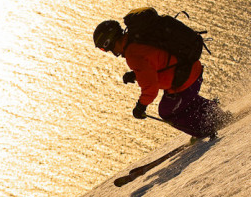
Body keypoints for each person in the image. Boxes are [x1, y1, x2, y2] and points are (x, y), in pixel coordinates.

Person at [93, 19, 231, 138]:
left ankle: (205, 129)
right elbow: (157, 60)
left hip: (186, 80)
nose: (109, 52)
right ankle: (215, 114)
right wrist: (135, 74)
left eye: (104, 49)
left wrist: (140, 107)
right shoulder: (136, 38)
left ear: (108, 42)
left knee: (167, 111)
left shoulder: (133, 54)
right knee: (181, 101)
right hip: (191, 69)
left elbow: (151, 88)